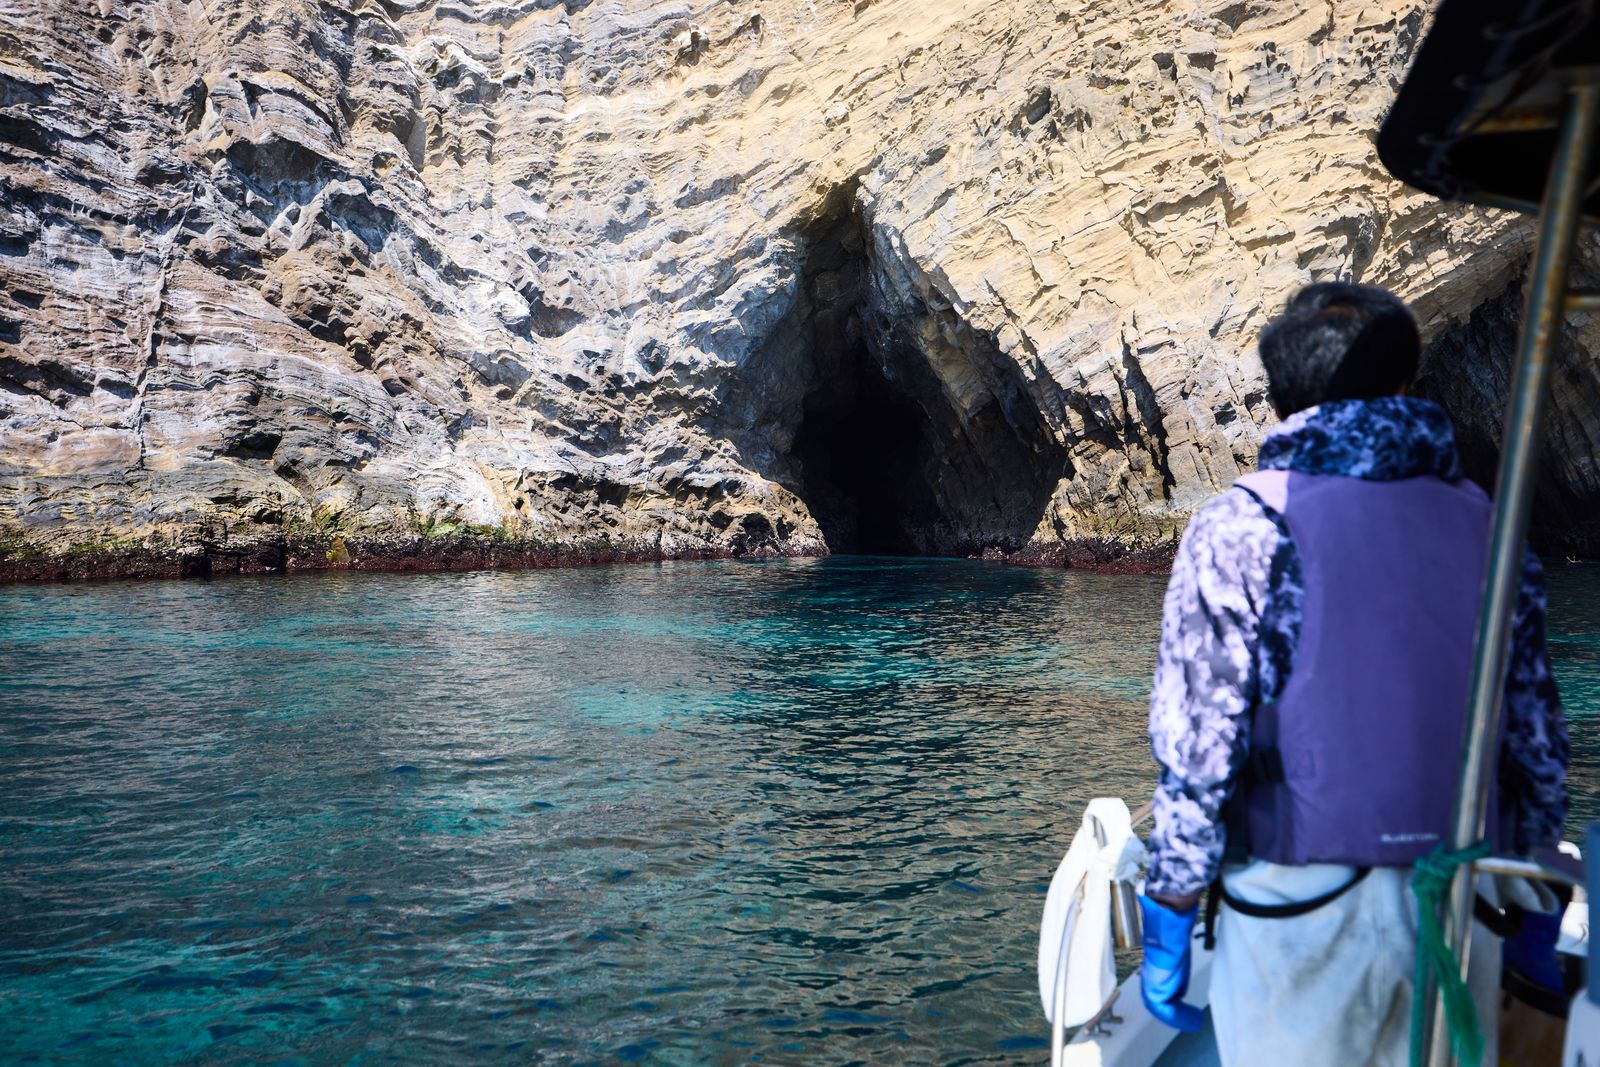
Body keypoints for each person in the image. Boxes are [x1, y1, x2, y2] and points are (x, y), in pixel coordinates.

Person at [1137, 282, 1570, 1066]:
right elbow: (1535, 731)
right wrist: (1537, 876)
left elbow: (1201, 746)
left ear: (1280, 401)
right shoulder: (1490, 523)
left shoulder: (1240, 525)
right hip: (1459, 899)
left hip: (1295, 908)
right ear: (1408, 383)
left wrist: (1171, 899)